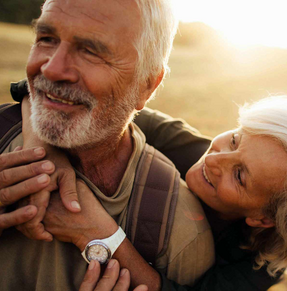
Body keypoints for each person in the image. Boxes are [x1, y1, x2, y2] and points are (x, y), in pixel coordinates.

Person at [0, 0, 215, 290]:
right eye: (47, 38)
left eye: (91, 51)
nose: (51, 68)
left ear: (147, 84)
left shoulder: (177, 228)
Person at [68, 96, 287, 290]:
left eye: (239, 176)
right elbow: (94, 105)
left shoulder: (262, 265)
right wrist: (47, 151)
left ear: (263, 219)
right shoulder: (187, 145)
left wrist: (102, 235)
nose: (211, 159)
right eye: (234, 141)